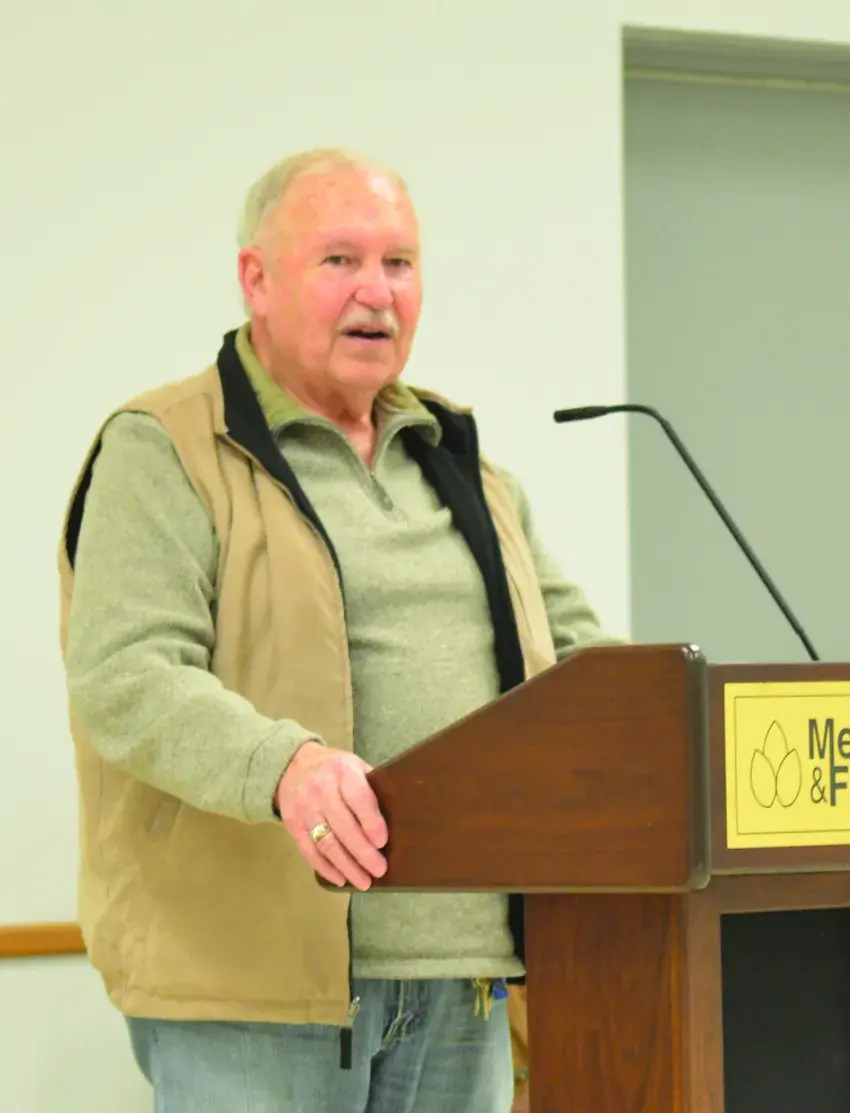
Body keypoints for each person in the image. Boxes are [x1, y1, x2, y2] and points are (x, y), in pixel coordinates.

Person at [57, 147, 620, 1113]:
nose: (377, 291)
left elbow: (584, 669)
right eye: (340, 260)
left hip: (466, 981)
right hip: (250, 990)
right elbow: (126, 674)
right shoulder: (165, 447)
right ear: (256, 280)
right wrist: (286, 765)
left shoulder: (461, 460)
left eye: (399, 263)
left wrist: (689, 717)